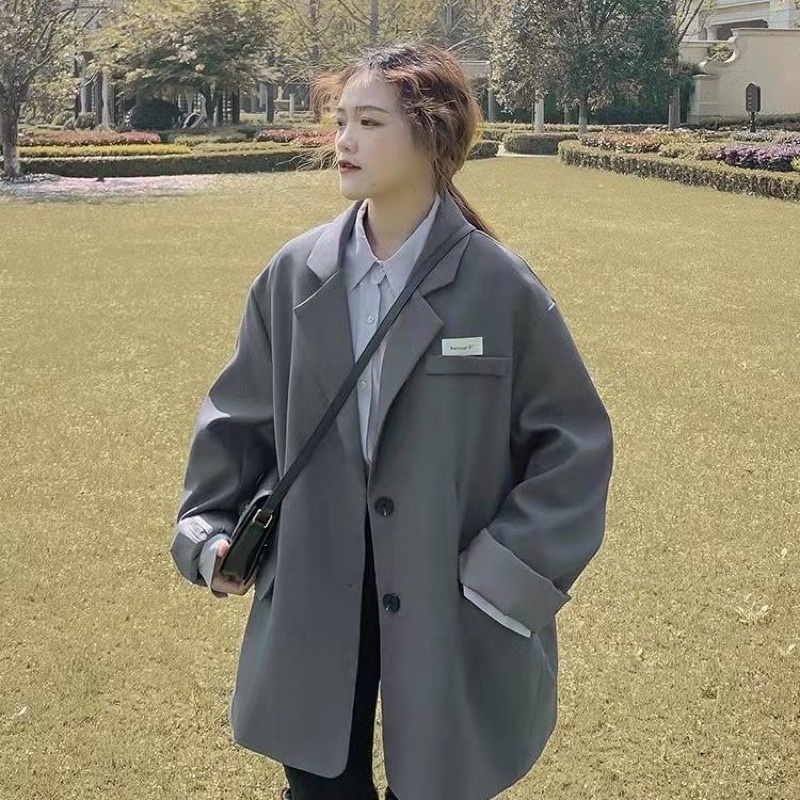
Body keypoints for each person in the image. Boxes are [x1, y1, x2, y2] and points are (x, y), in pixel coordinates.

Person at [170, 42, 614, 800]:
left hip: (452, 598)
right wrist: (209, 533)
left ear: (433, 135)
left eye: (369, 122)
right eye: (341, 120)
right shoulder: (293, 276)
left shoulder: (499, 286)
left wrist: (503, 577)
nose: (343, 140)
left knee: (440, 777)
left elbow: (574, 447)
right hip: (313, 589)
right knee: (318, 785)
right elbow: (238, 419)